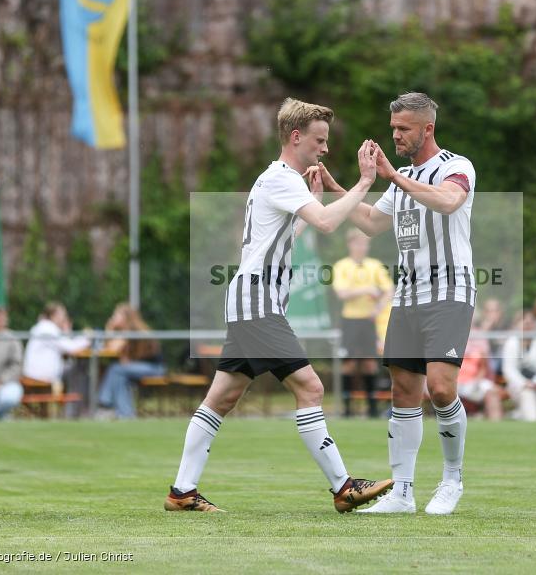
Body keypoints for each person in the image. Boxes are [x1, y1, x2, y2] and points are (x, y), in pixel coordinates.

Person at [165, 98, 393, 514]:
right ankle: (344, 487)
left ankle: (182, 492)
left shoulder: (279, 179)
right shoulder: (282, 177)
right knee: (311, 387)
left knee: (221, 399)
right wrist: (363, 182)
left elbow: (295, 231)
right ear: (295, 137)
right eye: (319, 140)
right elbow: (326, 224)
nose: (324, 149)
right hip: (257, 301)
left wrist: (316, 199)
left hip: (251, 300)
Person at [321, 92, 476, 515]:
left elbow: (448, 201)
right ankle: (403, 493)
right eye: (393, 129)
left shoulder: (456, 167)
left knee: (441, 389)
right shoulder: (401, 177)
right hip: (407, 295)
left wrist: (394, 177)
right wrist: (339, 187)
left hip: (449, 291)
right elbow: (371, 224)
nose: (396, 136)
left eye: (404, 128)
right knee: (404, 391)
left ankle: (451, 481)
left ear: (428, 128)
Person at [332, 228, 393, 417]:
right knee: (349, 364)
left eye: (365, 243)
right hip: (350, 320)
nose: (362, 247)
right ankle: (347, 409)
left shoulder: (374, 266)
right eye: (358, 243)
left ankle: (372, 410)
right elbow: (342, 294)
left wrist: (378, 308)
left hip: (369, 321)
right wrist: (366, 289)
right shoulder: (341, 266)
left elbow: (389, 290)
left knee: (369, 364)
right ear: (350, 244)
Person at [96, 303, 164, 419]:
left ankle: (105, 403)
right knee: (120, 377)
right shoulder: (125, 332)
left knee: (115, 369)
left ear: (125, 317)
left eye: (116, 315)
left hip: (155, 368)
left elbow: (113, 348)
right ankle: (126, 414)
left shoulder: (133, 330)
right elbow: (121, 357)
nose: (113, 318)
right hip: (140, 367)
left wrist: (109, 329)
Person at [22, 302, 90, 392]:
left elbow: (65, 344)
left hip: (36, 374)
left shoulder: (44, 327)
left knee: (73, 368)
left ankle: (72, 403)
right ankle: (74, 404)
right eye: (63, 314)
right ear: (54, 315)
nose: (64, 318)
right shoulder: (48, 328)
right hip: (40, 375)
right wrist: (88, 338)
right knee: (78, 370)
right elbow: (71, 348)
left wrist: (66, 332)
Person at [456, 316, 503, 421]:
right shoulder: (451, 335)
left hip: (473, 382)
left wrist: (476, 381)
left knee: (492, 392)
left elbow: (483, 367)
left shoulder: (479, 339)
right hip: (453, 381)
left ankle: (497, 426)